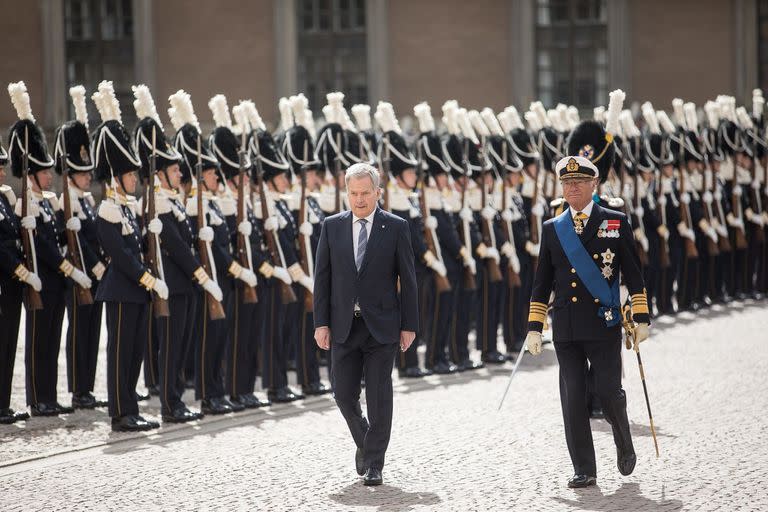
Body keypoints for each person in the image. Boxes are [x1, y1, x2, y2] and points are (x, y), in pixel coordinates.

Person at [525, 154, 651, 488]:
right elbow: (542, 282)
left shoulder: (614, 221)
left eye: (579, 182)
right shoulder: (554, 229)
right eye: (567, 183)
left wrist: (641, 317)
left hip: (602, 322)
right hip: (566, 327)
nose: (572, 188)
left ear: (594, 185)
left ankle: (623, 437)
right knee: (573, 397)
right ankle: (584, 468)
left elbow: (634, 273)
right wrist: (534, 328)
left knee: (608, 391)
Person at [314, 162, 418, 486]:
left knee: (378, 395)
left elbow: (409, 279)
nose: (359, 200)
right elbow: (322, 278)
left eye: (365, 193)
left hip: (382, 326)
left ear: (377, 192)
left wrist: (409, 325)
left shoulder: (396, 226)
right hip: (344, 325)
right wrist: (321, 323)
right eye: (353, 193)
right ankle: (365, 440)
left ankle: (375, 463)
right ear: (346, 193)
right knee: (343, 394)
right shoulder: (331, 226)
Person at [8, 81, 89, 417]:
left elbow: (56, 235)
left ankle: (49, 395)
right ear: (33, 174)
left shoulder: (49, 202)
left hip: (55, 280)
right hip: (41, 276)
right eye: (44, 172)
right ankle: (37, 397)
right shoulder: (24, 203)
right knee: (39, 341)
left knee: (52, 341)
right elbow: (38, 245)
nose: (50, 177)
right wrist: (66, 266)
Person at [91, 80, 165, 432]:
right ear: (117, 177)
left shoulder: (127, 208)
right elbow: (120, 256)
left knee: (134, 353)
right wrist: (147, 278)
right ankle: (120, 412)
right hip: (121, 289)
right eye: (131, 174)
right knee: (121, 355)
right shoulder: (107, 209)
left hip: (134, 290)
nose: (135, 179)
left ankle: (131, 407)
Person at [0, 135, 37, 424]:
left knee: (10, 343)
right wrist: (21, 270)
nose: (3, 173)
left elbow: (13, 236)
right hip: (4, 280)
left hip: (11, 284)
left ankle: (3, 402)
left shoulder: (3, 198)